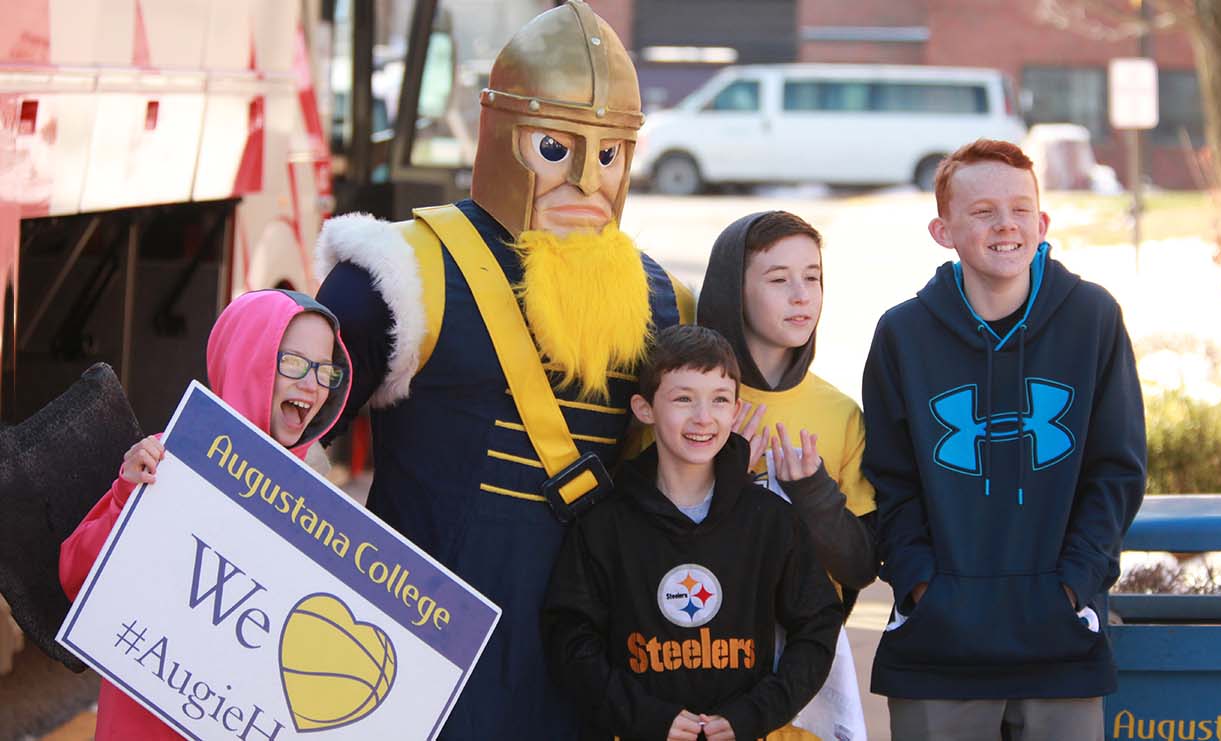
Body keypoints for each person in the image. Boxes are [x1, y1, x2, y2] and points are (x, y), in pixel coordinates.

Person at [313, 3, 691, 737]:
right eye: (555, 146)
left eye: (609, 152)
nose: (587, 177)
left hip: (581, 641)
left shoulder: (657, 297)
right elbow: (284, 419)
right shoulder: (405, 266)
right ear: (500, 134)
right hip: (421, 630)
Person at [861, 138, 1146, 741]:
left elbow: (1116, 471)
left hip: (1060, 639)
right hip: (939, 645)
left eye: (1020, 209)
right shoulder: (902, 334)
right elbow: (890, 479)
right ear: (943, 231)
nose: (1006, 225)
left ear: (1042, 222)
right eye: (983, 211)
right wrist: (922, 586)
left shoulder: (1092, 318)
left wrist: (1074, 586)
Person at [59, 289, 352, 740]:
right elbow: (76, 578)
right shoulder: (168, 458)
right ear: (248, 359)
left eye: (325, 370)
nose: (313, 385)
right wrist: (126, 497)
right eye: (292, 362)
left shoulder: (314, 508)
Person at [543, 325, 843, 741]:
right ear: (645, 408)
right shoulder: (603, 525)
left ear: (735, 411)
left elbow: (818, 625)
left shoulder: (770, 521)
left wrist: (755, 713)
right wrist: (644, 716)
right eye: (683, 398)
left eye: (719, 400)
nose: (703, 418)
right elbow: (569, 638)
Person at [699, 211, 878, 740]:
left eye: (813, 276)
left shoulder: (840, 412)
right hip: (695, 664)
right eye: (778, 279)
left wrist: (812, 494)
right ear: (733, 291)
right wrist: (723, 473)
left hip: (801, 680)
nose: (802, 295)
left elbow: (862, 564)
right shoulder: (690, 398)